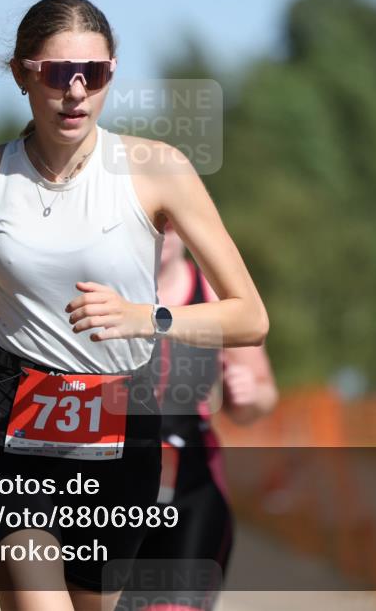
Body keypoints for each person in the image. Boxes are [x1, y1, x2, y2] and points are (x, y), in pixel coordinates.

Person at [0, 0, 269, 611]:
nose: (77, 91)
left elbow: (250, 316)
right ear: (22, 74)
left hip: (123, 428)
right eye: (59, 73)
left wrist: (146, 317)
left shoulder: (157, 170)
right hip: (13, 426)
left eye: (96, 73)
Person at [119, 220, 278, 611]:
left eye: (171, 226)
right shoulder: (101, 290)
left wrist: (247, 394)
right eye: (150, 224)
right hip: (107, 486)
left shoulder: (215, 295)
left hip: (192, 485)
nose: (161, 236)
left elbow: (264, 394)